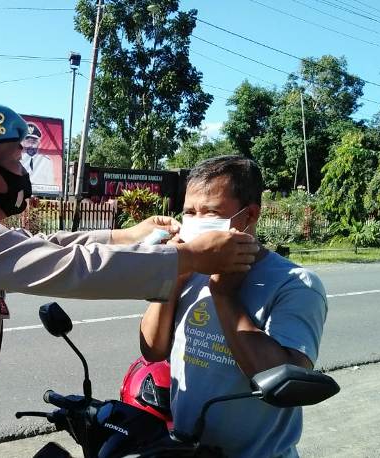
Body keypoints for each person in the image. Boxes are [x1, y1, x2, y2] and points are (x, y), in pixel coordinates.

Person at [0, 102, 259, 458]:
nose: (23, 172)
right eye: (16, 160)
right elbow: (65, 266)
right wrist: (184, 259)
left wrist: (124, 235)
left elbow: (39, 243)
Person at [139, 156, 328, 458]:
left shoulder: (296, 284)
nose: (196, 221)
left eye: (210, 212)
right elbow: (152, 349)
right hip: (188, 449)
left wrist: (224, 295)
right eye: (189, 212)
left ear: (249, 214)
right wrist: (174, 276)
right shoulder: (187, 269)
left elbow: (283, 383)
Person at [20, 122, 55, 189]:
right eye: (28, 142)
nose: (31, 145)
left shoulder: (46, 161)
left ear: (39, 143)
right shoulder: (17, 160)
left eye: (33, 142)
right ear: (23, 143)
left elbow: (51, 185)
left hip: (41, 195)